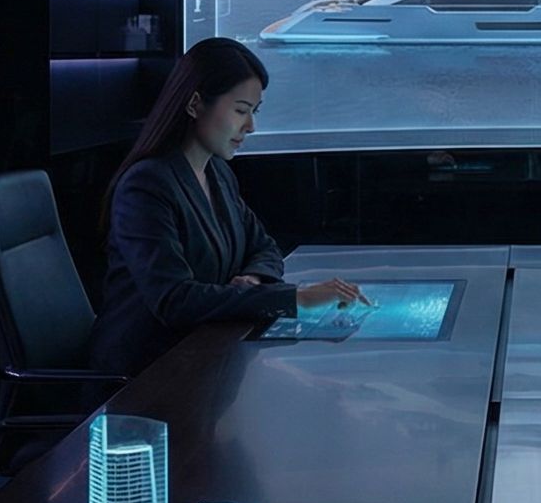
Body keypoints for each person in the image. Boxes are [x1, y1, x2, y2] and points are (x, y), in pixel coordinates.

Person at [88, 37, 370, 375]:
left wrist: (252, 279)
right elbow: (174, 301)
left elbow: (264, 246)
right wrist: (295, 299)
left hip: (203, 358)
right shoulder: (145, 186)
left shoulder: (217, 172)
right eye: (240, 110)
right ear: (195, 104)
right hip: (145, 375)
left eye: (253, 112)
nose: (250, 126)